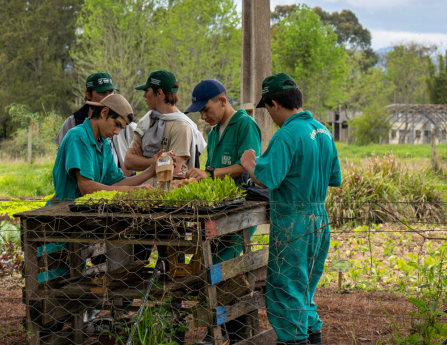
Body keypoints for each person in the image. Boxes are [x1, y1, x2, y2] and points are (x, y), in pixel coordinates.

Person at [240, 74, 342, 345]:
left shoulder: (286, 134)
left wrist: (250, 162)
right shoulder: (323, 131)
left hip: (293, 221)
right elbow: (335, 178)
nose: (270, 115)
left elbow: (267, 178)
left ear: (274, 103)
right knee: (305, 289)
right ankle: (313, 338)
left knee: (285, 290)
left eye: (268, 109)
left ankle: (293, 341)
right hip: (319, 218)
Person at [184, 79, 262, 345]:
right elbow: (211, 173)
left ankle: (217, 330)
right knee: (211, 262)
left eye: (206, 110)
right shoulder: (215, 132)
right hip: (217, 210)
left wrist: (210, 174)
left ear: (223, 101)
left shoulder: (245, 125)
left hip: (241, 209)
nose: (204, 116)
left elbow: (247, 166)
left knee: (222, 264)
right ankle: (230, 327)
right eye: (201, 113)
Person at [52, 93, 156, 202]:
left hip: (87, 211)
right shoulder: (78, 137)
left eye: (121, 128)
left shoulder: (104, 143)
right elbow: (87, 187)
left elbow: (116, 182)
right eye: (117, 124)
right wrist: (134, 190)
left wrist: (151, 170)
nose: (117, 132)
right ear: (104, 112)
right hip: (67, 212)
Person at [125, 70, 206, 180]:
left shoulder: (181, 126)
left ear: (159, 93)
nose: (144, 95)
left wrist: (144, 160)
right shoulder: (146, 122)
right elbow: (128, 162)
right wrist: (157, 162)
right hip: (145, 192)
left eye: (147, 91)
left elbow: (173, 170)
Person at [56, 72, 134, 173]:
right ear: (88, 94)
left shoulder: (124, 121)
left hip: (118, 181)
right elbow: (62, 158)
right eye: (102, 93)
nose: (108, 97)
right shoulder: (73, 124)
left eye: (110, 92)